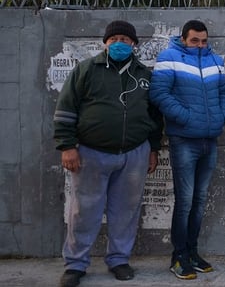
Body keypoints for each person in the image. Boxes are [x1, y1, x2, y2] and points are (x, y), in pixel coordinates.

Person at [54, 20, 163, 287]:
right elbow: (66, 108)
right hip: (92, 153)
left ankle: (119, 260)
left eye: (124, 40)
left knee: (126, 210)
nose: (118, 44)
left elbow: (154, 116)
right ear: (105, 42)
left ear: (134, 44)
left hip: (135, 153)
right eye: (113, 39)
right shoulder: (86, 70)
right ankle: (76, 264)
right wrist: (67, 146)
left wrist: (153, 149)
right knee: (84, 210)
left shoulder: (144, 75)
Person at [149, 20, 225, 280]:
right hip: (184, 140)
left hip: (210, 140)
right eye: (195, 40)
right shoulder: (169, 57)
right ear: (184, 39)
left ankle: (193, 252)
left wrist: (221, 117)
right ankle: (179, 256)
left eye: (204, 40)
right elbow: (159, 94)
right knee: (184, 202)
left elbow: (223, 93)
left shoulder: (216, 61)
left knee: (199, 200)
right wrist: (185, 117)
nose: (200, 45)